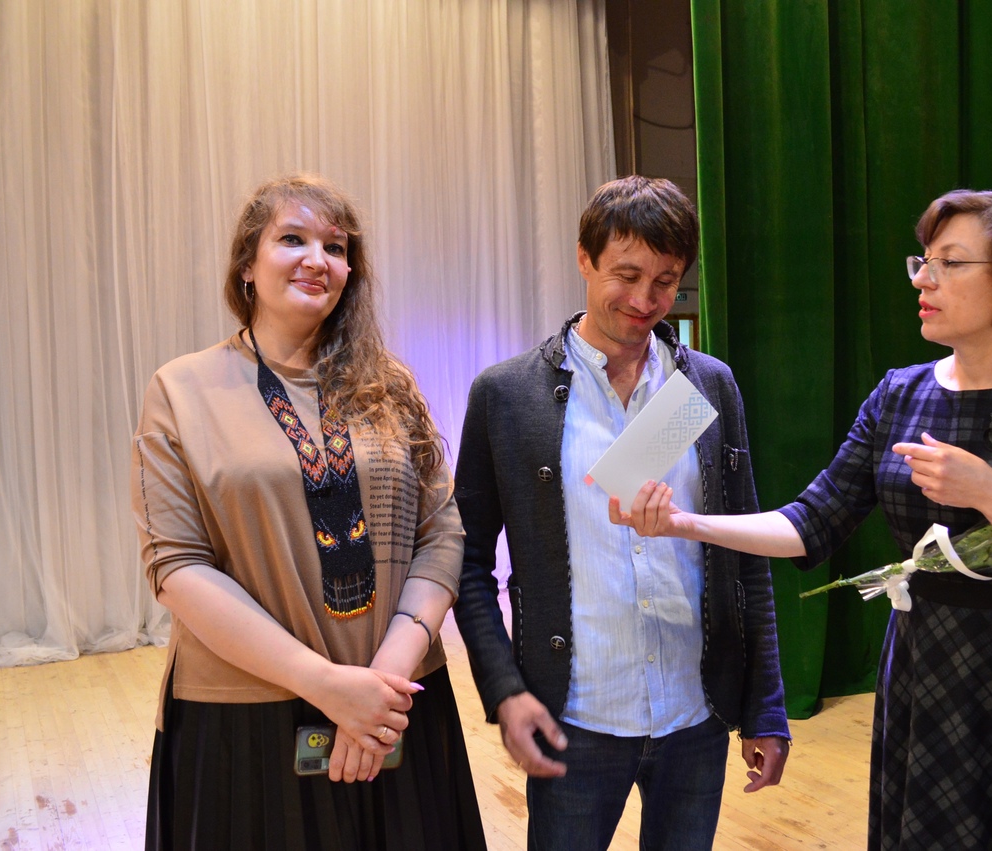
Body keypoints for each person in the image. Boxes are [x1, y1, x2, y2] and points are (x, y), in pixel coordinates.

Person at [612, 189, 992, 849]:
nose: (923, 280)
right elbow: (810, 522)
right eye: (923, 261)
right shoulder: (901, 393)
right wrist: (685, 524)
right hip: (924, 667)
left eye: (950, 263)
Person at [130, 173, 486, 850]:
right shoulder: (181, 388)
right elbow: (176, 566)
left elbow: (441, 533)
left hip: (396, 704)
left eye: (336, 246)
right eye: (292, 239)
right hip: (246, 717)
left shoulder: (390, 385)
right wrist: (326, 686)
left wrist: (382, 682)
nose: (317, 259)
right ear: (247, 264)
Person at [452, 175, 790, 851]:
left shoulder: (706, 384)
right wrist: (504, 689)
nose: (644, 301)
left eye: (665, 281)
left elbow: (744, 555)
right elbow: (467, 564)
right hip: (576, 717)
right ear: (584, 258)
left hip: (695, 716)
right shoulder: (507, 396)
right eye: (626, 275)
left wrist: (766, 706)